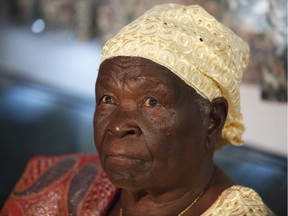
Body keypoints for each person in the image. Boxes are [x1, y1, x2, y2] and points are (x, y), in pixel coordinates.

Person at [1, 3, 274, 216]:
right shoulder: (65, 181)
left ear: (213, 120)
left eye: (152, 102)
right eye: (108, 99)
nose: (119, 125)